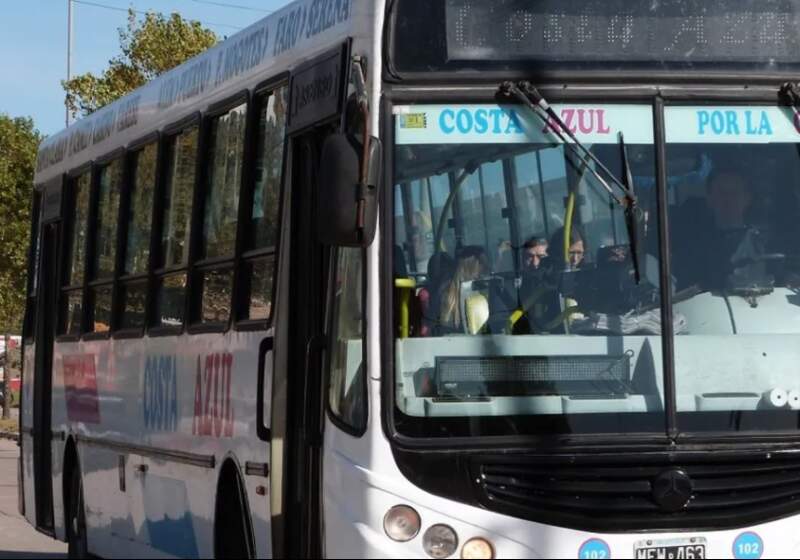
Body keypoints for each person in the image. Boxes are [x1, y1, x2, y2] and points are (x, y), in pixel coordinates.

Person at [437, 246, 490, 333]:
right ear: (472, 265)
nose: (486, 267)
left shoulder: (483, 287)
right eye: (482, 263)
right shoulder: (448, 292)